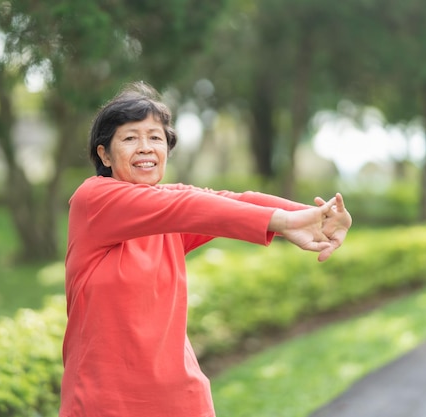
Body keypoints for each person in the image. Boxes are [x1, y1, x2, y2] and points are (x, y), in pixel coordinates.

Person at [60, 81, 352, 417]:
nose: (145, 147)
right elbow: (191, 206)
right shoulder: (94, 200)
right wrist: (283, 221)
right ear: (105, 154)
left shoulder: (167, 208)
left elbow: (226, 201)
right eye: (129, 138)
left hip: (181, 401)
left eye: (155, 137)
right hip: (105, 404)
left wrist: (310, 218)